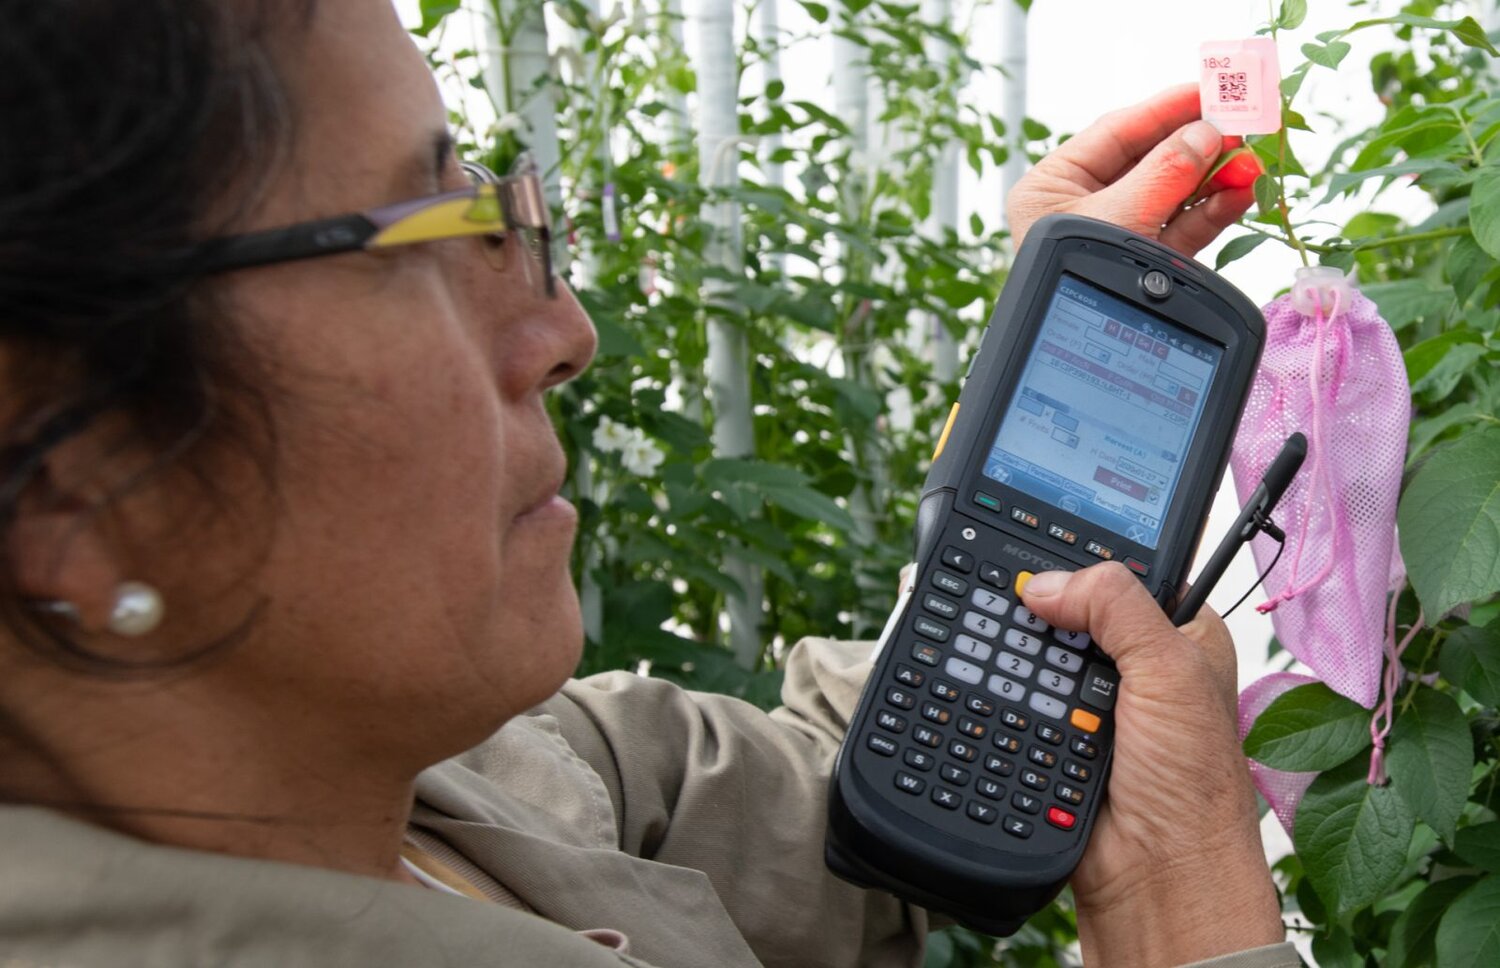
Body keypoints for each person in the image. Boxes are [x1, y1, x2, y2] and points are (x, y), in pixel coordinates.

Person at [0, 1, 1295, 965]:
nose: (566, 332)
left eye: (506, 216)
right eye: (433, 238)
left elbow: (858, 797)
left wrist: (1032, 392)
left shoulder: (467, 782)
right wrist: (1189, 902)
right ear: (74, 476)